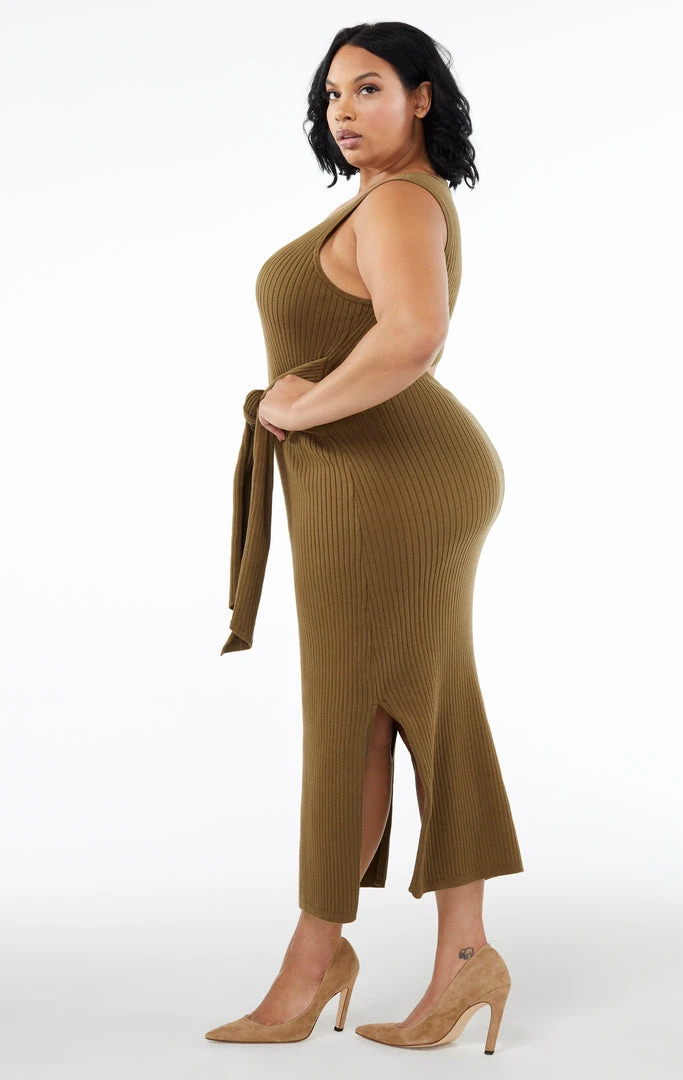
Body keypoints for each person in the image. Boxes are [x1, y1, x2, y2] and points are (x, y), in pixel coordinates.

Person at [206, 21, 524, 1051]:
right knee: (407, 707)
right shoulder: (384, 199)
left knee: (358, 715)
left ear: (422, 96)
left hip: (390, 483)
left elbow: (414, 336)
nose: (343, 110)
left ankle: (312, 964)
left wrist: (298, 409)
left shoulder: (398, 202)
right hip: (372, 481)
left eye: (369, 88)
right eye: (332, 94)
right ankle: (465, 959)